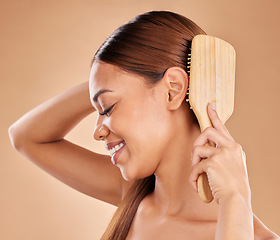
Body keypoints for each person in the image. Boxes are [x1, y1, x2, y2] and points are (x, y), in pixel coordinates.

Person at [8, 11, 279, 240]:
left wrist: (235, 201)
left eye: (108, 108)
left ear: (172, 91)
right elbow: (25, 136)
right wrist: (102, 86)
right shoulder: (133, 195)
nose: (98, 131)